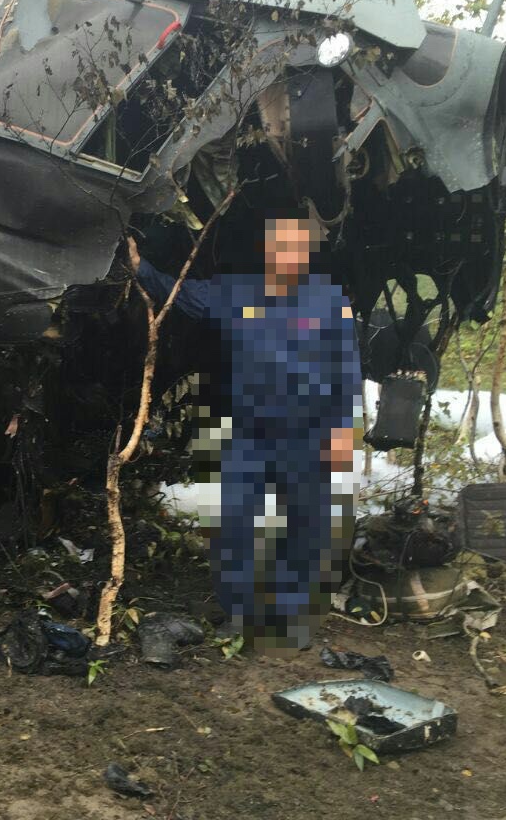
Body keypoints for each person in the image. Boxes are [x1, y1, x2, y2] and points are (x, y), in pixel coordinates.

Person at [128, 207, 361, 653]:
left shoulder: (331, 304)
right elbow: (181, 295)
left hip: (308, 435)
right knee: (234, 522)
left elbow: (346, 370)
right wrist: (140, 268)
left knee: (304, 527)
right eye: (279, 247)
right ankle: (239, 613)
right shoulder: (237, 293)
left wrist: (342, 434)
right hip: (247, 432)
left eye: (296, 248)